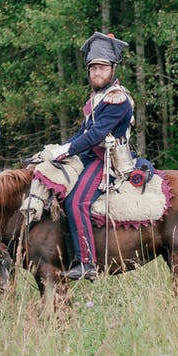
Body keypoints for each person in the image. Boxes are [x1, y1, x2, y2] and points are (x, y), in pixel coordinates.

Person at [37, 32, 134, 281]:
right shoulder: (97, 98)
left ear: (113, 69)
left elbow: (96, 135)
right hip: (90, 156)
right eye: (92, 68)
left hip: (107, 160)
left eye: (101, 68)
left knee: (77, 201)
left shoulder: (117, 98)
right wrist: (56, 150)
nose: (96, 73)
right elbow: (82, 132)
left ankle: (87, 261)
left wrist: (67, 150)